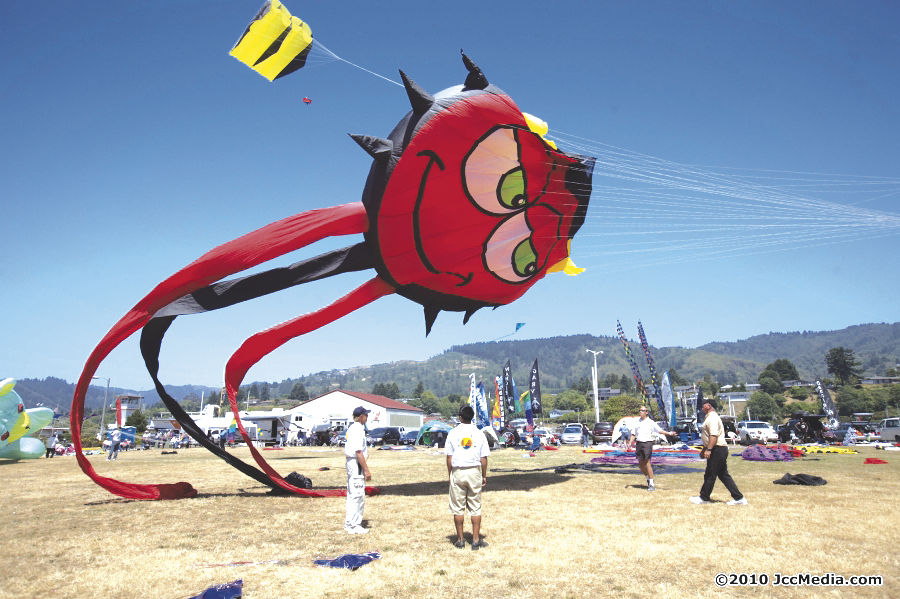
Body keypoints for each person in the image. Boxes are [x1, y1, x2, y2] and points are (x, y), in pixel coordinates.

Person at [445, 405, 490, 550]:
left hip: (458, 471)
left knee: (458, 508)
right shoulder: (479, 433)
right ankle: (476, 540)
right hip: (474, 471)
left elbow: (449, 457)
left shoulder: (452, 433)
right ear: (472, 417)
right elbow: (483, 458)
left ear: (459, 417)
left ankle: (460, 539)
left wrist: (450, 473)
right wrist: (483, 475)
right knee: (475, 507)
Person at [690, 399, 746, 505]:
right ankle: (739, 498)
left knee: (710, 474)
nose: (701, 407)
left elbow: (713, 435)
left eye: (703, 405)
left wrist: (709, 449)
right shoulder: (709, 417)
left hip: (717, 449)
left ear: (708, 406)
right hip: (717, 448)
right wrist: (704, 450)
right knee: (723, 475)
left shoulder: (713, 418)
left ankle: (704, 497)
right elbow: (707, 437)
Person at [631, 406, 678, 491]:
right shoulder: (636, 422)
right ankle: (647, 479)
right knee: (640, 464)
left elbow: (659, 431)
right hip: (639, 443)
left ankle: (651, 484)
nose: (640, 412)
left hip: (647, 443)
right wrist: (630, 443)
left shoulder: (650, 422)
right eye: (640, 410)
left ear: (646, 412)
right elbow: (633, 434)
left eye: (642, 410)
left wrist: (669, 433)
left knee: (647, 462)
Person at [343, 406, 372, 534]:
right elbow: (358, 451)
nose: (367, 417)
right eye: (366, 415)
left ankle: (349, 523)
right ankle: (355, 525)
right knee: (358, 495)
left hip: (352, 462)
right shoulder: (358, 429)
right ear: (361, 416)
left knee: (351, 494)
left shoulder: (352, 428)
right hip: (356, 463)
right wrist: (366, 470)